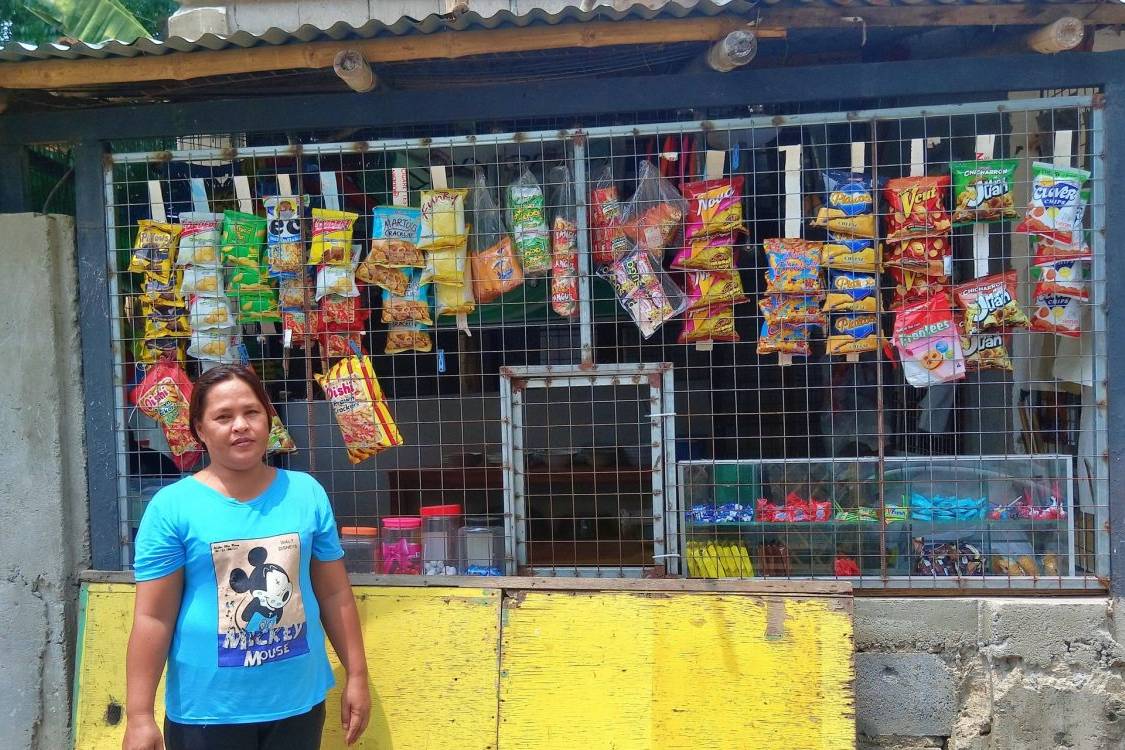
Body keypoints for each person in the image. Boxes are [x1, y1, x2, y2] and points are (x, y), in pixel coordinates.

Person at [122, 364, 370, 750]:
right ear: (200, 431)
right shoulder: (172, 508)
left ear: (268, 421)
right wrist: (139, 716)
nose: (240, 425)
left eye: (251, 412)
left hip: (298, 705)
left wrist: (356, 675)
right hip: (206, 713)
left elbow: (335, 595)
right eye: (223, 417)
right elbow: (153, 618)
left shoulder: (306, 494)